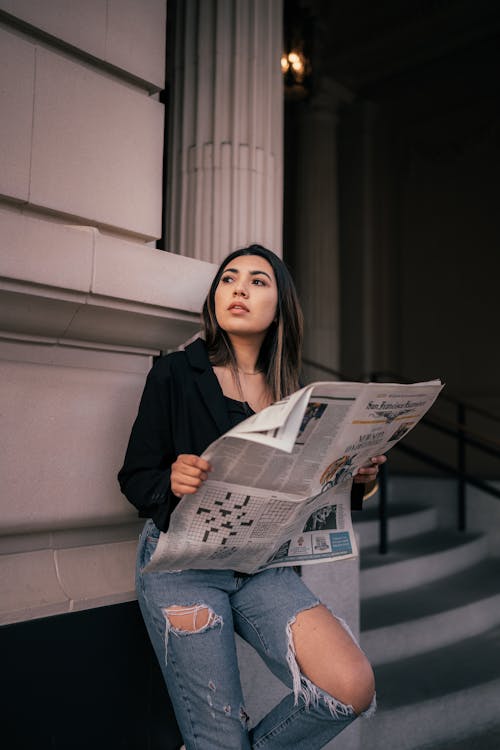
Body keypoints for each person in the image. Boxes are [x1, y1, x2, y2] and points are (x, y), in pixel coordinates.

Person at [118, 244, 384, 749]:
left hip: (263, 566)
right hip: (183, 565)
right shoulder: (175, 372)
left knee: (351, 685)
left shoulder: (297, 396)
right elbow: (135, 476)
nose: (238, 288)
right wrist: (171, 479)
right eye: (228, 279)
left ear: (280, 306)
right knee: (219, 740)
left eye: (258, 281)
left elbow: (305, 494)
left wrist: (358, 477)